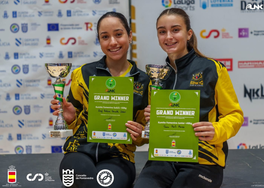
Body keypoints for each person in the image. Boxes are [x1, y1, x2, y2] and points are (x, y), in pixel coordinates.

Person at [134, 8, 244, 188]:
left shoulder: (212, 69)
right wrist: (146, 128)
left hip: (203, 160)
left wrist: (216, 130)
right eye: (162, 31)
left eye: (175, 30)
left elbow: (235, 115)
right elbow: (153, 130)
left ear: (188, 34)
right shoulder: (157, 77)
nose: (168, 36)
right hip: (164, 157)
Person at [51, 12, 150, 188]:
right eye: (105, 37)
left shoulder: (144, 81)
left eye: (118, 34)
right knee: (84, 181)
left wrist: (140, 133)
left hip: (119, 158)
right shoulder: (83, 74)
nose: (113, 42)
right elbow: (73, 124)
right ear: (99, 40)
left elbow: (144, 135)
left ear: (130, 36)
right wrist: (71, 119)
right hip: (79, 152)